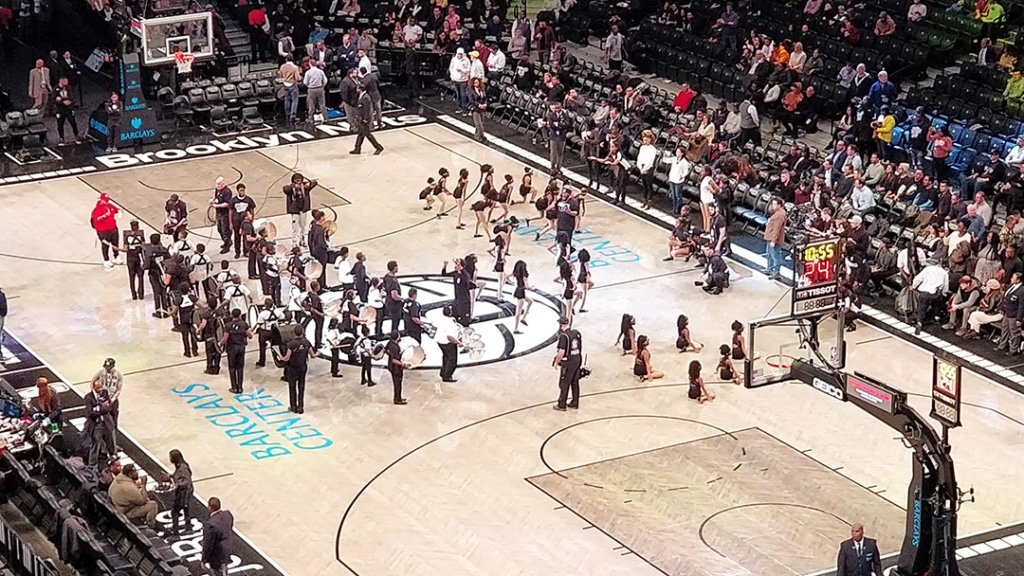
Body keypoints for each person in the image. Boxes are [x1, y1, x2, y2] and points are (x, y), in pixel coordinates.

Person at [108, 463, 158, 528]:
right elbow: (142, 501)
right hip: (125, 513)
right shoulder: (129, 487)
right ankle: (150, 526)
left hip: (117, 507)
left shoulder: (119, 478)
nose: (137, 473)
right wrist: (143, 485)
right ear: (130, 474)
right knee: (152, 505)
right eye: (135, 472)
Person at [280, 325, 315, 413]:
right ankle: (300, 407)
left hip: (293, 368)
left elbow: (287, 358)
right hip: (303, 367)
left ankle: (293, 407)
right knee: (301, 386)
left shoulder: (291, 344)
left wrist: (281, 357)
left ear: (294, 333)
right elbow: (312, 355)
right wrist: (318, 353)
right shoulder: (307, 342)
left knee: (292, 387)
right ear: (302, 332)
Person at [553, 316, 583, 411]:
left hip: (569, 362)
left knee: (564, 383)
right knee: (575, 382)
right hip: (577, 359)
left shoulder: (563, 336)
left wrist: (556, 362)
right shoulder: (576, 333)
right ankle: (575, 402)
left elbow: (561, 352)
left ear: (561, 325)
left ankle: (562, 404)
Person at [912, 259, 950, 334]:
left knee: (922, 307)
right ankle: (937, 317)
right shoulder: (944, 273)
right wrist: (944, 294)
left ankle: (919, 322)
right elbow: (945, 286)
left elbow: (917, 279)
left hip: (924, 292)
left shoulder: (927, 269)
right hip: (935, 293)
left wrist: (913, 286)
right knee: (938, 302)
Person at [220, 308, 253, 394]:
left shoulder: (228, 325)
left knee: (232, 368)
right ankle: (240, 387)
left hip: (232, 348)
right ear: (240, 315)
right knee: (240, 368)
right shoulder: (244, 324)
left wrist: (220, 343)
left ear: (232, 315)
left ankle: (234, 387)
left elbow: (225, 338)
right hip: (241, 347)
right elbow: (250, 335)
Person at [283, 173, 317, 249]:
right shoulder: (291, 189)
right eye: (296, 180)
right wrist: (293, 186)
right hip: (295, 210)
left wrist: (308, 183)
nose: (298, 182)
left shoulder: (305, 187)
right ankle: (294, 243)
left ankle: (302, 240)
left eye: (300, 180)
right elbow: (285, 189)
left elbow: (315, 182)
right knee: (295, 228)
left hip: (303, 209)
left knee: (303, 226)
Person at [202, 497, 234, 576]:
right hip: (227, 549)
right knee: (224, 569)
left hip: (217, 555)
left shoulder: (211, 524)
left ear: (210, 507)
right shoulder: (228, 515)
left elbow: (208, 544)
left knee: (217, 572)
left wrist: (204, 559)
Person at [351, 84, 384, 155]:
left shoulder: (366, 98)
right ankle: (357, 148)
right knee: (360, 134)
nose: (356, 90)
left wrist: (366, 119)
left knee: (368, 134)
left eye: (357, 88)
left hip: (364, 119)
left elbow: (367, 110)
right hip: (360, 118)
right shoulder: (361, 96)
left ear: (360, 89)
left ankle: (378, 147)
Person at [91, 192, 121, 269]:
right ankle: (106, 260)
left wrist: (119, 211)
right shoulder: (97, 209)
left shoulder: (110, 206)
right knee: (105, 245)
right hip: (103, 231)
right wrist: (104, 216)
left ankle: (116, 256)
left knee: (115, 243)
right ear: (101, 200)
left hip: (113, 228)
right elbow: (97, 219)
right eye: (105, 200)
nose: (107, 202)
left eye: (107, 200)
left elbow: (116, 210)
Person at [167, 449, 193, 535]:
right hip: (185, 491)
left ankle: (175, 533)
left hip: (184, 492)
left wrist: (178, 484)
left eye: (170, 457)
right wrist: (172, 476)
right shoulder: (180, 466)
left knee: (175, 511)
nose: (169, 458)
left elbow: (186, 481)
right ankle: (188, 528)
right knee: (186, 510)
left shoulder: (183, 468)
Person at [433, 305, 462, 383]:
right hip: (447, 343)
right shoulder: (450, 323)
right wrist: (458, 342)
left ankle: (443, 372)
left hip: (439, 341)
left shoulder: (440, 319)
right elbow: (449, 337)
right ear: (450, 313)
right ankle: (447, 376)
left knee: (446, 356)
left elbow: (434, 326)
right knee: (452, 360)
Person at [543, 102, 573, 176]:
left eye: (558, 108)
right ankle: (552, 168)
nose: (556, 110)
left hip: (562, 136)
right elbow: (551, 125)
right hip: (553, 136)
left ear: (560, 107)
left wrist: (558, 124)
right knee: (553, 153)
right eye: (555, 108)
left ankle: (558, 168)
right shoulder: (550, 114)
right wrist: (558, 125)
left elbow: (566, 124)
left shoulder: (565, 115)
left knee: (560, 153)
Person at [52, 77, 79, 145]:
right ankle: (61, 139)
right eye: (65, 81)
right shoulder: (56, 89)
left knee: (73, 123)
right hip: (60, 110)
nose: (67, 83)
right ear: (61, 81)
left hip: (69, 109)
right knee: (60, 124)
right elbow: (53, 99)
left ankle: (77, 136)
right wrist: (61, 102)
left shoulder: (68, 88)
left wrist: (70, 102)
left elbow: (72, 97)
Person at [765, 197, 787, 280]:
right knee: (769, 254)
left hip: (774, 239)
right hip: (770, 237)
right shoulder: (777, 213)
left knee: (775, 255)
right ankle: (769, 268)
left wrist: (773, 240)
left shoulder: (780, 215)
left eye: (774, 204)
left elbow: (777, 229)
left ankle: (776, 272)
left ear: (779, 205)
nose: (772, 206)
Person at [386, 330, 410, 405]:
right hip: (396, 369)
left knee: (397, 384)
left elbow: (386, 351)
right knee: (397, 384)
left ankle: (398, 397)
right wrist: (403, 364)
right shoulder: (395, 347)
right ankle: (397, 399)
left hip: (391, 367)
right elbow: (394, 360)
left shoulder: (390, 343)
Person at [468, 77, 487, 142]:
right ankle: (482, 136)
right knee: (478, 124)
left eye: (478, 82)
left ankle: (477, 136)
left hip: (482, 109)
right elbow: (471, 100)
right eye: (475, 82)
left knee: (481, 123)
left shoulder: (482, 89)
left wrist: (485, 104)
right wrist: (479, 105)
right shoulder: (470, 90)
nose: (477, 83)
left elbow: (485, 98)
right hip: (475, 109)